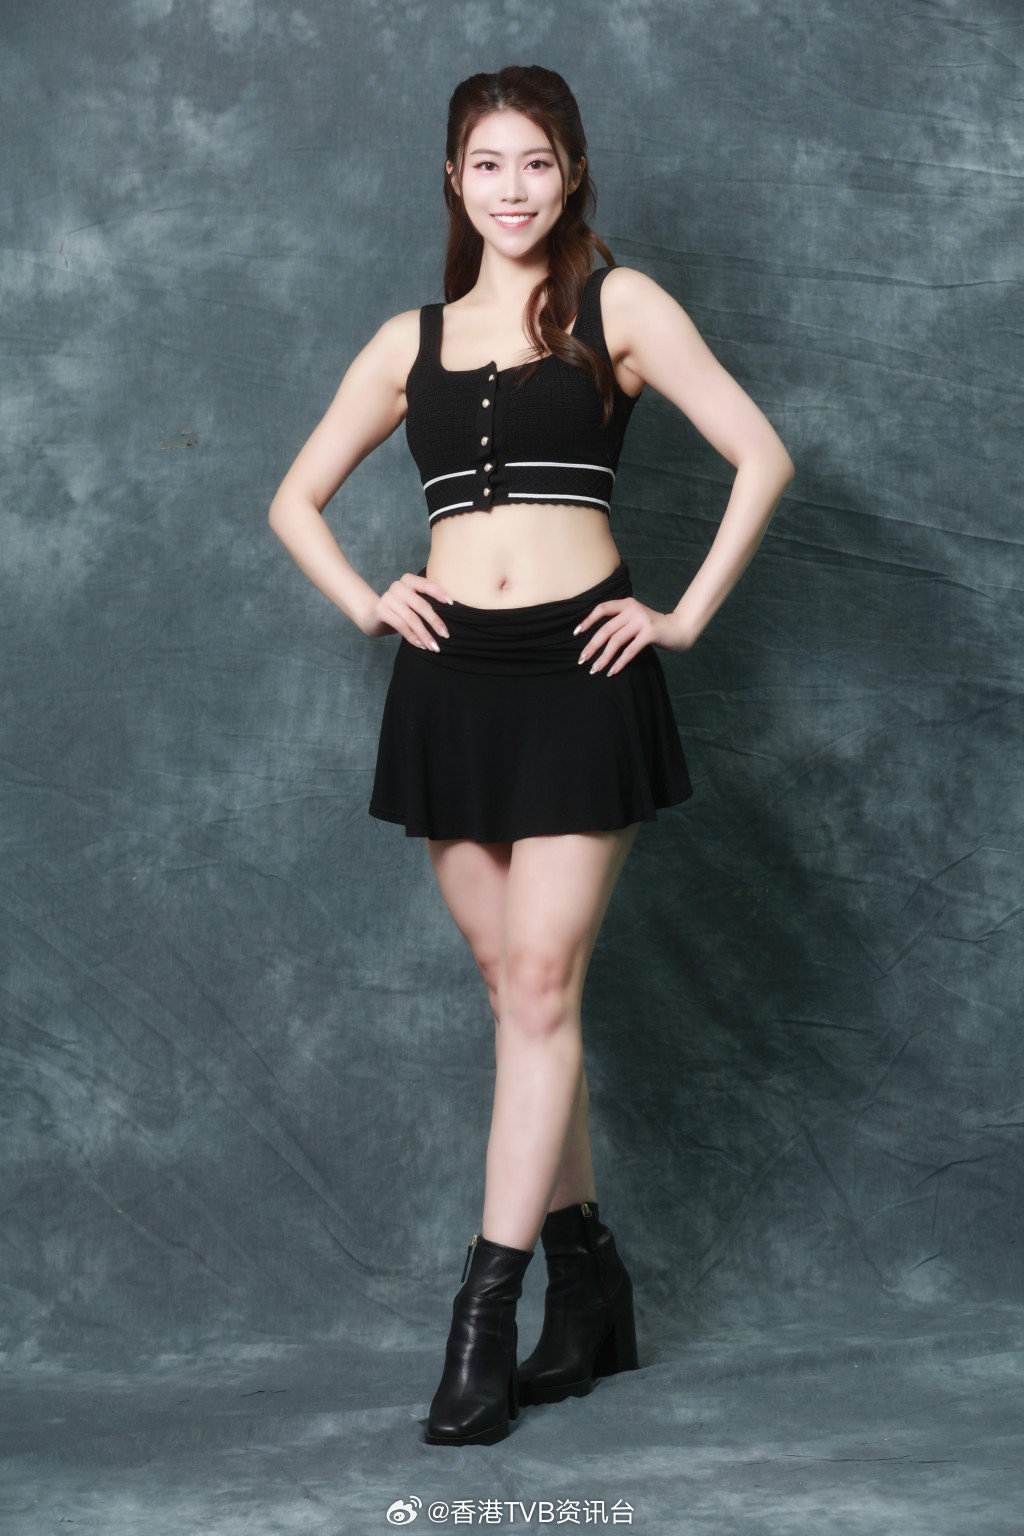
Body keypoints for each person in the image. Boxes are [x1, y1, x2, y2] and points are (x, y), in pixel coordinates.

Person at [268, 64, 794, 1447]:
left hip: (581, 674)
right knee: (518, 995)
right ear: (454, 179)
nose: (514, 189)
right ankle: (593, 1281)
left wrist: (681, 615)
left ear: (574, 175)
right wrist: (369, 599)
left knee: (545, 984)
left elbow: (762, 457)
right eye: (489, 164)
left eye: (539, 163)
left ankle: (482, 1319)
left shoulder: (623, 307)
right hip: (451, 686)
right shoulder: (410, 341)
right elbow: (294, 497)